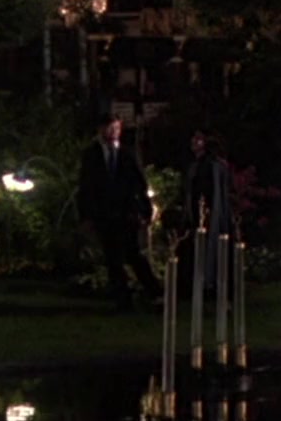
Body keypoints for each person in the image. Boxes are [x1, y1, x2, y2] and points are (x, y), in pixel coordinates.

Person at [76, 114, 163, 311]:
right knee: (112, 257)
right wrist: (86, 215)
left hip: (126, 212)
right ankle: (123, 298)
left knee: (133, 253)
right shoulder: (92, 155)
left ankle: (155, 292)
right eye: (110, 128)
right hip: (104, 213)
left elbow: (139, 183)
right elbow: (86, 185)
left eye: (117, 128)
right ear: (101, 129)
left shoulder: (126, 154)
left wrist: (145, 208)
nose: (114, 132)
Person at [183, 130, 234, 294]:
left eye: (198, 140)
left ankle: (210, 281)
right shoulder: (195, 165)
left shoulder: (214, 165)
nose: (194, 142)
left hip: (211, 211)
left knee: (211, 245)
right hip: (198, 211)